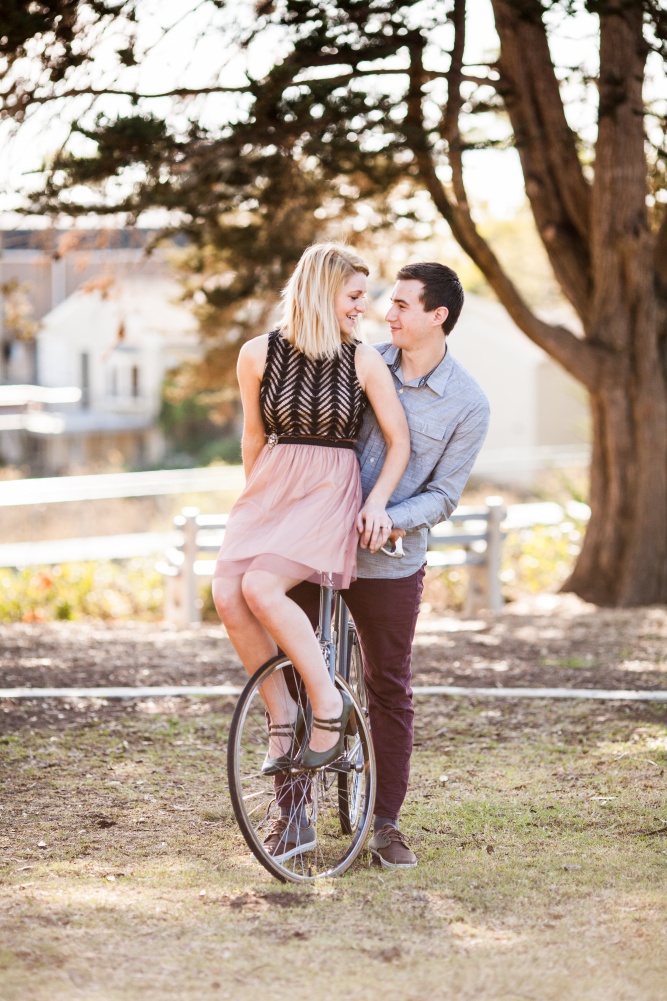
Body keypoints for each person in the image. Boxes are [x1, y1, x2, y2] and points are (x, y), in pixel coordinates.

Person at [290, 261, 490, 868]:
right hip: (315, 544)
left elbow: (445, 495)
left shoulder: (468, 403)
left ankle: (385, 823)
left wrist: (392, 518)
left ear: (438, 316)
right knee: (299, 675)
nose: (387, 312)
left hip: (390, 560)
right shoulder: (356, 359)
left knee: (388, 685)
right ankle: (291, 811)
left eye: (402, 305)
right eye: (387, 301)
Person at [212, 243, 411, 852]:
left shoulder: (363, 360)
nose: (364, 307)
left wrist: (376, 502)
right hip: (271, 486)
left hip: (329, 487)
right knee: (227, 589)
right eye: (355, 296)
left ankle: (325, 702)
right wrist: (255, 507)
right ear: (323, 291)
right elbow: (253, 435)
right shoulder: (257, 354)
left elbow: (398, 443)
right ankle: (282, 713)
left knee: (261, 585)